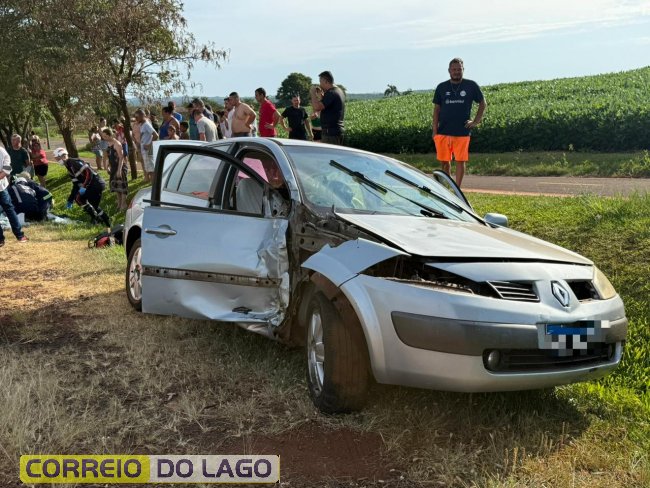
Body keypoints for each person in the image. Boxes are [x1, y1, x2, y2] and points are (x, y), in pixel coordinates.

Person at [432, 57, 487, 187]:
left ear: (463, 70)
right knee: (444, 162)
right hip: (443, 131)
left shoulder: (471, 85)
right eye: (454, 69)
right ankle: (447, 188)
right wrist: (434, 131)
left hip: (462, 131)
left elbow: (483, 103)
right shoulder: (441, 87)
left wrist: (476, 121)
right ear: (449, 71)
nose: (456, 72)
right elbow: (436, 110)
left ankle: (457, 189)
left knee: (460, 161)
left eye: (459, 69)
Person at [53, 147, 111, 227]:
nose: (57, 161)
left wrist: (84, 186)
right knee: (79, 198)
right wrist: (70, 199)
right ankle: (97, 218)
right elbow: (76, 185)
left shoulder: (74, 162)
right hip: (90, 185)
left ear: (62, 156)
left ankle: (105, 221)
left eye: (57, 158)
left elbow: (89, 173)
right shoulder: (69, 167)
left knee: (91, 203)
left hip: (96, 184)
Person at [0, 146, 28, 246]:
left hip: (1, 187)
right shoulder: (2, 151)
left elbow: (7, 168)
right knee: (9, 209)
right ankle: (2, 239)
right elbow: (7, 168)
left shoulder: (1, 151)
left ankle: (19, 235)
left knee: (9, 209)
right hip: (2, 186)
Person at [311, 71, 345, 145]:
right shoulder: (339, 91)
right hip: (336, 131)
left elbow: (317, 107)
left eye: (320, 82)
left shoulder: (331, 93)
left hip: (330, 133)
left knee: (329, 152)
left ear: (326, 81)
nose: (320, 85)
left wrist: (312, 92)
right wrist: (322, 97)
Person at [101, 128, 128, 211]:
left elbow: (121, 158)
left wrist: (119, 170)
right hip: (113, 167)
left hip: (120, 167)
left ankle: (123, 204)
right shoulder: (108, 144)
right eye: (103, 136)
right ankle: (119, 204)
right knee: (116, 187)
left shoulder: (117, 144)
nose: (104, 138)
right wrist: (107, 166)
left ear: (110, 135)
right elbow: (109, 156)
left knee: (122, 186)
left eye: (105, 136)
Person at [135, 108, 158, 183]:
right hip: (145, 151)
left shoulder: (146, 124)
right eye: (135, 117)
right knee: (149, 169)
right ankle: (152, 184)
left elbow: (156, 135)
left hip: (148, 150)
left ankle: (154, 186)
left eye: (137, 117)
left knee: (151, 170)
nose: (136, 118)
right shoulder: (142, 124)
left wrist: (149, 145)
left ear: (142, 116)